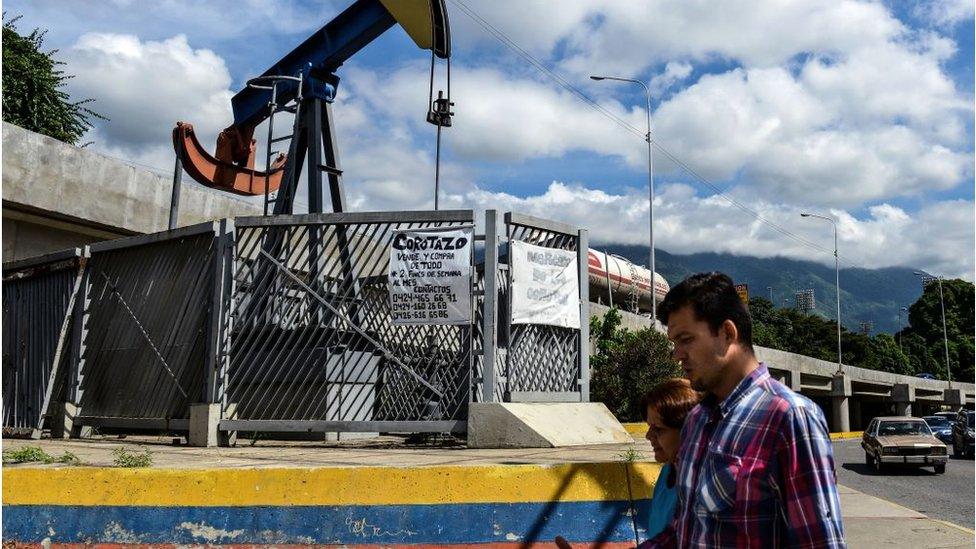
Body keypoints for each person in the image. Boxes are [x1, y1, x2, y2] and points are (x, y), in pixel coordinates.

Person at [644, 272, 845, 548]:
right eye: (674, 343)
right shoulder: (696, 422)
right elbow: (683, 532)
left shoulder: (789, 417)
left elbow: (819, 542)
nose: (676, 354)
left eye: (686, 339)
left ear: (727, 333)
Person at [640, 378, 701, 539]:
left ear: (688, 430)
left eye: (658, 429)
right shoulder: (668, 471)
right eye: (649, 427)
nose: (648, 436)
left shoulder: (701, 486)